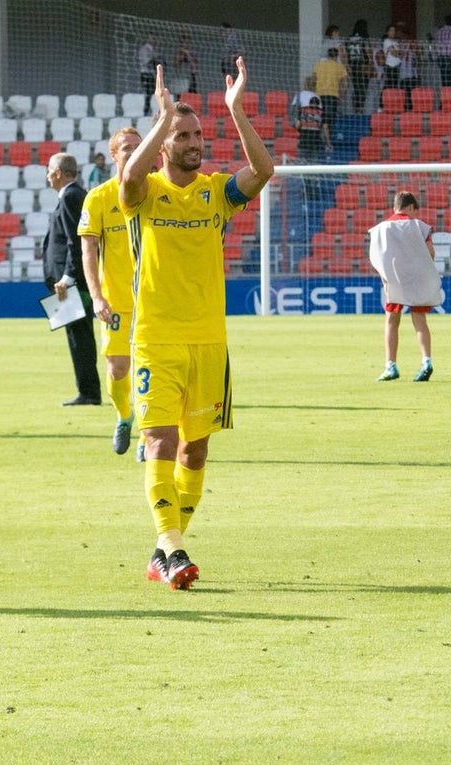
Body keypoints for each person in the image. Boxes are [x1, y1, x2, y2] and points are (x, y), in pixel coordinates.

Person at [119, 58, 273, 590]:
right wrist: (161, 119)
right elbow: (129, 177)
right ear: (165, 144)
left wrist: (235, 111)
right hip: (156, 341)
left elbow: (262, 171)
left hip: (209, 343)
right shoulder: (145, 196)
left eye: (197, 134)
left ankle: (166, 546)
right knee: (159, 440)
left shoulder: (214, 194)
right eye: (182, 135)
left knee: (196, 449)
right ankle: (174, 546)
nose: (192, 142)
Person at [80, 127, 141, 454]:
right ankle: (124, 416)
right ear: (114, 155)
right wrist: (97, 296)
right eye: (126, 148)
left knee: (152, 369)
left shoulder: (157, 191)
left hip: (154, 300)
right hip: (116, 302)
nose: (132, 152)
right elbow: (88, 250)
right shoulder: (99, 198)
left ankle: (149, 434)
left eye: (138, 147)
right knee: (118, 368)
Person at [42, 152, 101, 407]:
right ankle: (87, 390)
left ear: (58, 173)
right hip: (72, 280)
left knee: (80, 337)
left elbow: (74, 241)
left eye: (49, 170)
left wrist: (67, 277)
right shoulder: (73, 195)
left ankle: (88, 392)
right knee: (79, 335)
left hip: (72, 283)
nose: (47, 175)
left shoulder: (70, 196)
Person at [368, 191, 440, 383]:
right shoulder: (419, 226)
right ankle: (426, 362)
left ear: (395, 207)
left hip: (395, 279)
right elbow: (431, 254)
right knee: (420, 320)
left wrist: (386, 277)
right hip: (418, 279)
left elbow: (376, 257)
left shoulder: (381, 228)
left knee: (392, 320)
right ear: (411, 208)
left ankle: (390, 365)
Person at [311, 46, 347, 128]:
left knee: (319, 117)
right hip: (332, 95)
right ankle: (329, 137)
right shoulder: (340, 67)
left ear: (328, 55)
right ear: (337, 56)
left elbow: (313, 81)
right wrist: (342, 96)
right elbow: (345, 84)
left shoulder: (318, 65)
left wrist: (314, 92)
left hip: (319, 95)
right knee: (330, 119)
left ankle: (319, 136)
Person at [346, 20, 370, 114]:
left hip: (353, 64)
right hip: (363, 63)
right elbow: (367, 51)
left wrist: (348, 65)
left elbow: (347, 52)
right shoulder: (364, 38)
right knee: (363, 87)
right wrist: (370, 63)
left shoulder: (350, 38)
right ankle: (361, 108)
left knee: (356, 87)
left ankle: (356, 108)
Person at [433, 15, 451, 88]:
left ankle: (444, 96)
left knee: (444, 78)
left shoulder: (439, 31)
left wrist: (436, 56)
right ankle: (450, 96)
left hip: (441, 57)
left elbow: (435, 44)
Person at [137, 36, 159, 111]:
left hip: (152, 74)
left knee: (153, 92)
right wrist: (153, 58)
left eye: (155, 38)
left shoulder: (155, 50)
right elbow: (145, 62)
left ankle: (150, 110)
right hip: (145, 73)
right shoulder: (144, 49)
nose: (155, 40)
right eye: (153, 38)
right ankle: (145, 110)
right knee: (147, 92)